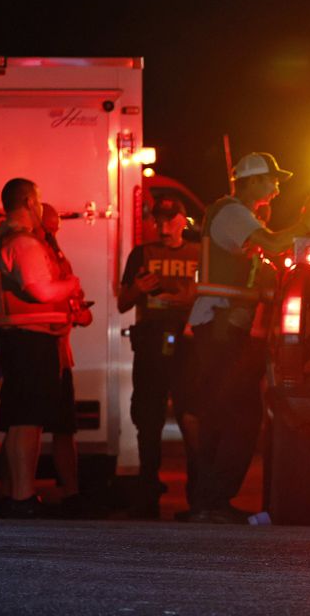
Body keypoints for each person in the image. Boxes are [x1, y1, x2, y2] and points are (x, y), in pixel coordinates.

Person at [183, 152, 310, 524]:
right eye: (273, 180)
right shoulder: (232, 214)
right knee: (238, 416)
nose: (277, 189)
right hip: (219, 326)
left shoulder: (236, 216)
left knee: (225, 413)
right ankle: (211, 501)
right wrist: (306, 224)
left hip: (223, 326)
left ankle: (206, 501)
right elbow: (275, 245)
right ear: (254, 181)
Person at [0, 181, 82, 518]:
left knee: (17, 420)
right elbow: (39, 290)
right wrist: (70, 285)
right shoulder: (23, 242)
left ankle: (16, 494)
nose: (40, 208)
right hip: (30, 341)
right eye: (38, 201)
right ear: (28, 201)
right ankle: (23, 498)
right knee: (28, 421)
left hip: (16, 339)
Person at [118, 198, 200, 518]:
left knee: (192, 416)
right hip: (151, 343)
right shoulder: (142, 254)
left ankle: (199, 497)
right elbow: (123, 303)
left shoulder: (199, 254)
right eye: (158, 220)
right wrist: (137, 288)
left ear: (183, 221)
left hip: (188, 345)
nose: (163, 227)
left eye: (170, 220)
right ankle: (147, 494)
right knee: (147, 419)